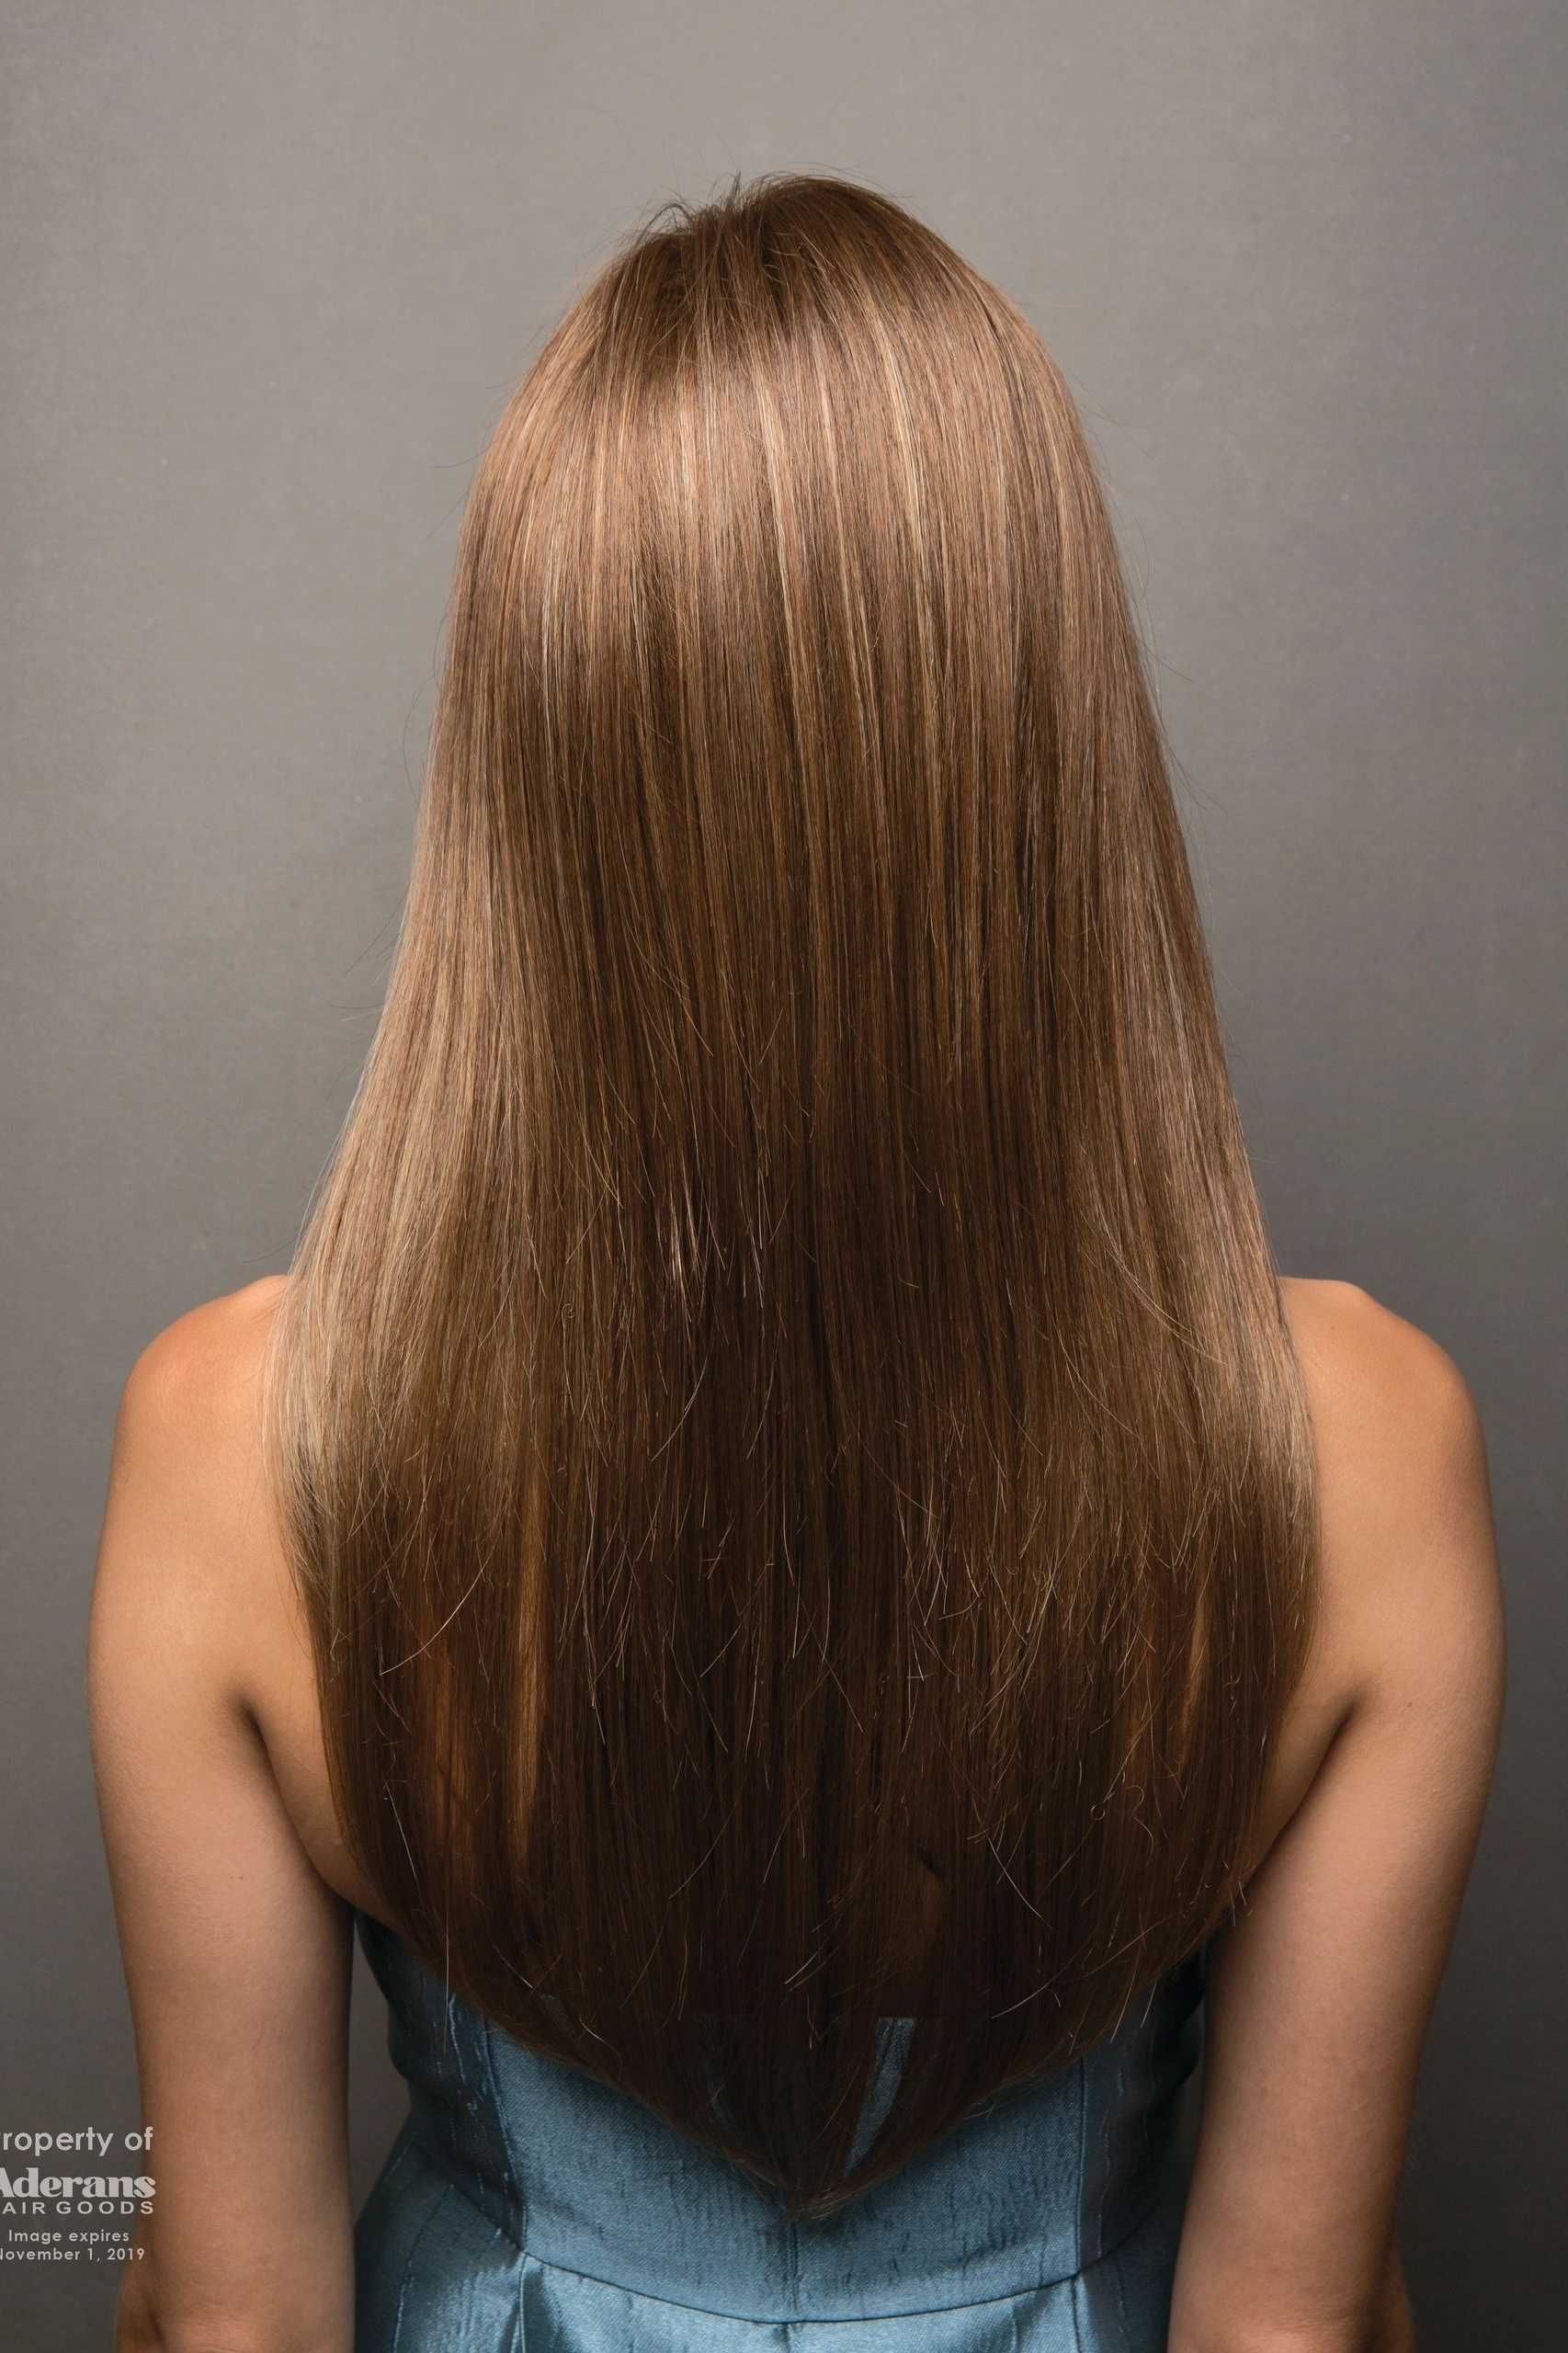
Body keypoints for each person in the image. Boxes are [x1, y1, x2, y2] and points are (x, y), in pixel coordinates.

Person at [87, 172, 1505, 2353]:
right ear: (1037, 755)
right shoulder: (1360, 1453)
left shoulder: (238, 1449)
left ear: (536, 778)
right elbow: (1289, 2328)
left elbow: (232, 2321)